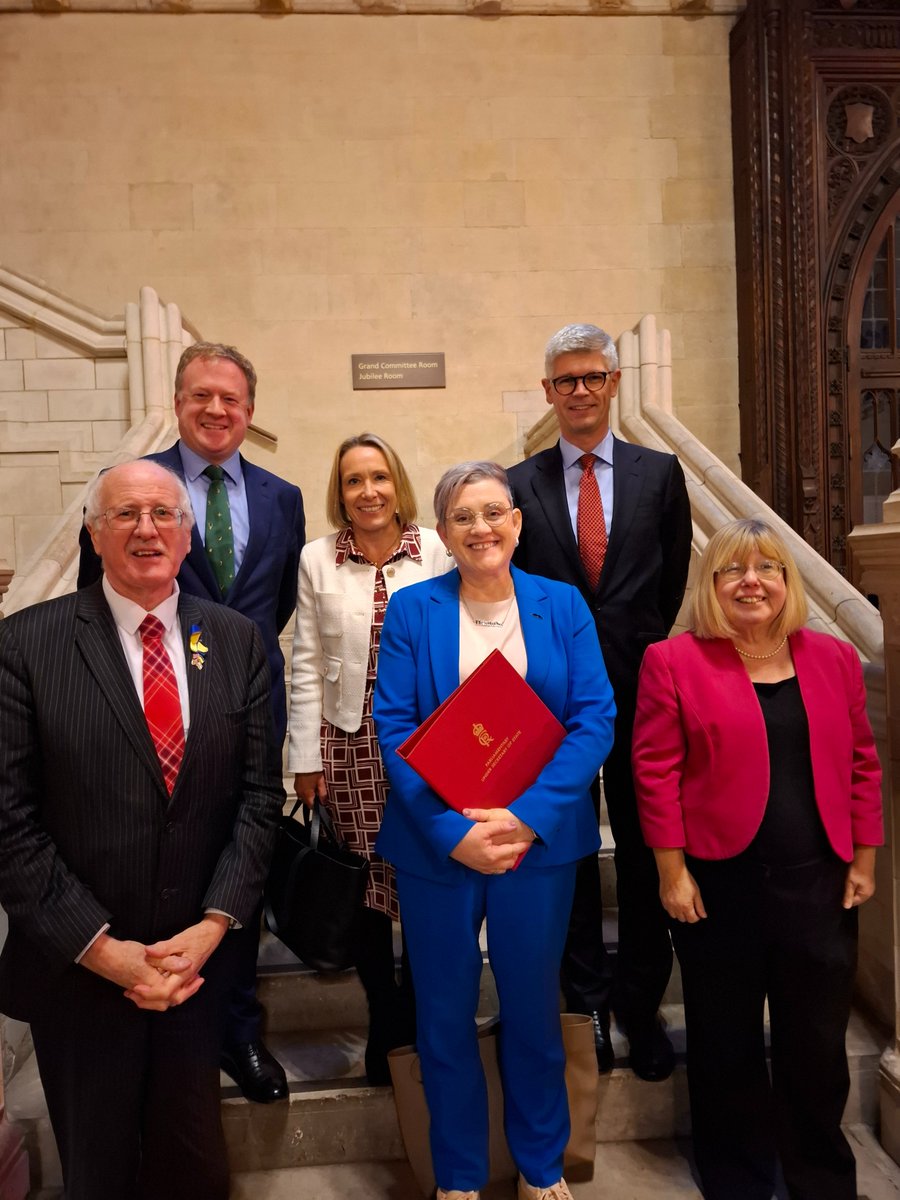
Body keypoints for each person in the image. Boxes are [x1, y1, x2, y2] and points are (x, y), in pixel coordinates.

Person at [0, 460, 285, 1200]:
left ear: (189, 537)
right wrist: (105, 951)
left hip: (195, 965)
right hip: (80, 972)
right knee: (98, 1172)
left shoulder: (237, 641)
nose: (147, 529)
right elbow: (11, 824)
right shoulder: (25, 647)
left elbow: (257, 800)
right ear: (95, 535)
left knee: (191, 1164)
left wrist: (215, 924)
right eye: (125, 515)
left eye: (164, 514)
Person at [373, 462, 616, 1200]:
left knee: (534, 1008)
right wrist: (453, 832)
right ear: (442, 533)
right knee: (443, 1014)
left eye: (493, 513)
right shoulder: (413, 610)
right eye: (462, 516)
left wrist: (527, 817)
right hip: (435, 848)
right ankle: (459, 1177)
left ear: (516, 523)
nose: (481, 528)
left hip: (536, 845)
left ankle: (542, 1170)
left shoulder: (563, 604)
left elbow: (593, 717)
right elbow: (393, 726)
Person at [78, 341, 305, 1104]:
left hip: (247, 709)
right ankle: (154, 1018)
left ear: (250, 412)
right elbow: (93, 602)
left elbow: (277, 609)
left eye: (231, 399)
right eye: (201, 396)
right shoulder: (133, 492)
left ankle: (235, 1031)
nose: (216, 410)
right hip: (148, 711)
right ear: (177, 403)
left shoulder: (282, 496)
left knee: (240, 866)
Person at [632, 517, 883, 1200]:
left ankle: (821, 1177)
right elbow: (654, 773)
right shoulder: (673, 661)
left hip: (819, 883)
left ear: (787, 581)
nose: (752, 582)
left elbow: (862, 763)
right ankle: (737, 1176)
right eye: (733, 570)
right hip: (719, 883)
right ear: (711, 586)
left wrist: (864, 856)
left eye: (768, 568)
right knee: (725, 1041)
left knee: (816, 1045)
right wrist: (671, 871)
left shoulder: (832, 659)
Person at [507, 322, 692, 1080]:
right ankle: (583, 1005)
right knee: (568, 856)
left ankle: (641, 1007)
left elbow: (671, 578)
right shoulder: (519, 486)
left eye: (591, 378)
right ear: (547, 392)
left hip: (644, 695)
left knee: (650, 855)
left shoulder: (661, 474)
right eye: (564, 381)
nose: (579, 392)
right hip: (551, 706)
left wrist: (637, 650)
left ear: (614, 384)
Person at [287, 432, 451, 1084]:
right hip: (348, 743)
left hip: (423, 745)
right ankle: (385, 1017)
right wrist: (304, 756)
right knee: (364, 889)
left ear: (397, 483)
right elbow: (304, 662)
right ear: (341, 492)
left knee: (422, 882)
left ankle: (421, 1014)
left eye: (379, 477)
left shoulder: (435, 549)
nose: (368, 491)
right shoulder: (317, 559)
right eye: (354, 480)